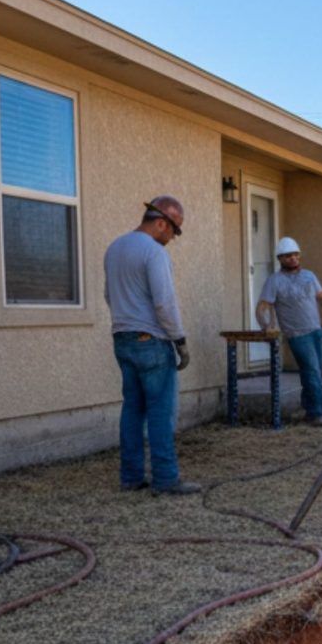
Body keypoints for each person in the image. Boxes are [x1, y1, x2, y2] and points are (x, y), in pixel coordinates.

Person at [104, 195, 199, 495]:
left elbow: (109, 295)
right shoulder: (154, 253)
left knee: (132, 409)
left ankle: (130, 477)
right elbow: (164, 303)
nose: (173, 238)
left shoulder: (115, 248)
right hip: (152, 341)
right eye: (174, 231)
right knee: (160, 411)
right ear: (161, 222)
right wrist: (180, 340)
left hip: (122, 337)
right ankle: (166, 478)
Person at [256, 236, 322, 425]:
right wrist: (266, 327)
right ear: (280, 259)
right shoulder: (274, 281)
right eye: (288, 255)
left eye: (296, 255)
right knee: (312, 370)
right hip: (297, 334)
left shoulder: (309, 276)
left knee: (316, 371)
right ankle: (317, 413)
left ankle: (313, 407)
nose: (293, 258)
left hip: (315, 330)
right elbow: (262, 308)